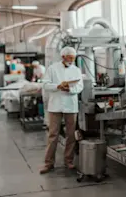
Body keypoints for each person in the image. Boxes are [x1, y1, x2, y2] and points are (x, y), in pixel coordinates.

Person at [40, 46, 84, 174]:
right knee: (53, 134)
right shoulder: (53, 68)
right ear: (63, 57)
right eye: (70, 58)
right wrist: (58, 86)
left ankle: (68, 161)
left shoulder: (76, 70)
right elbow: (45, 84)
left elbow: (80, 86)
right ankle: (48, 163)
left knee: (71, 135)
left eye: (73, 58)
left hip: (71, 105)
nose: (71, 60)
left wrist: (70, 89)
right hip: (55, 105)